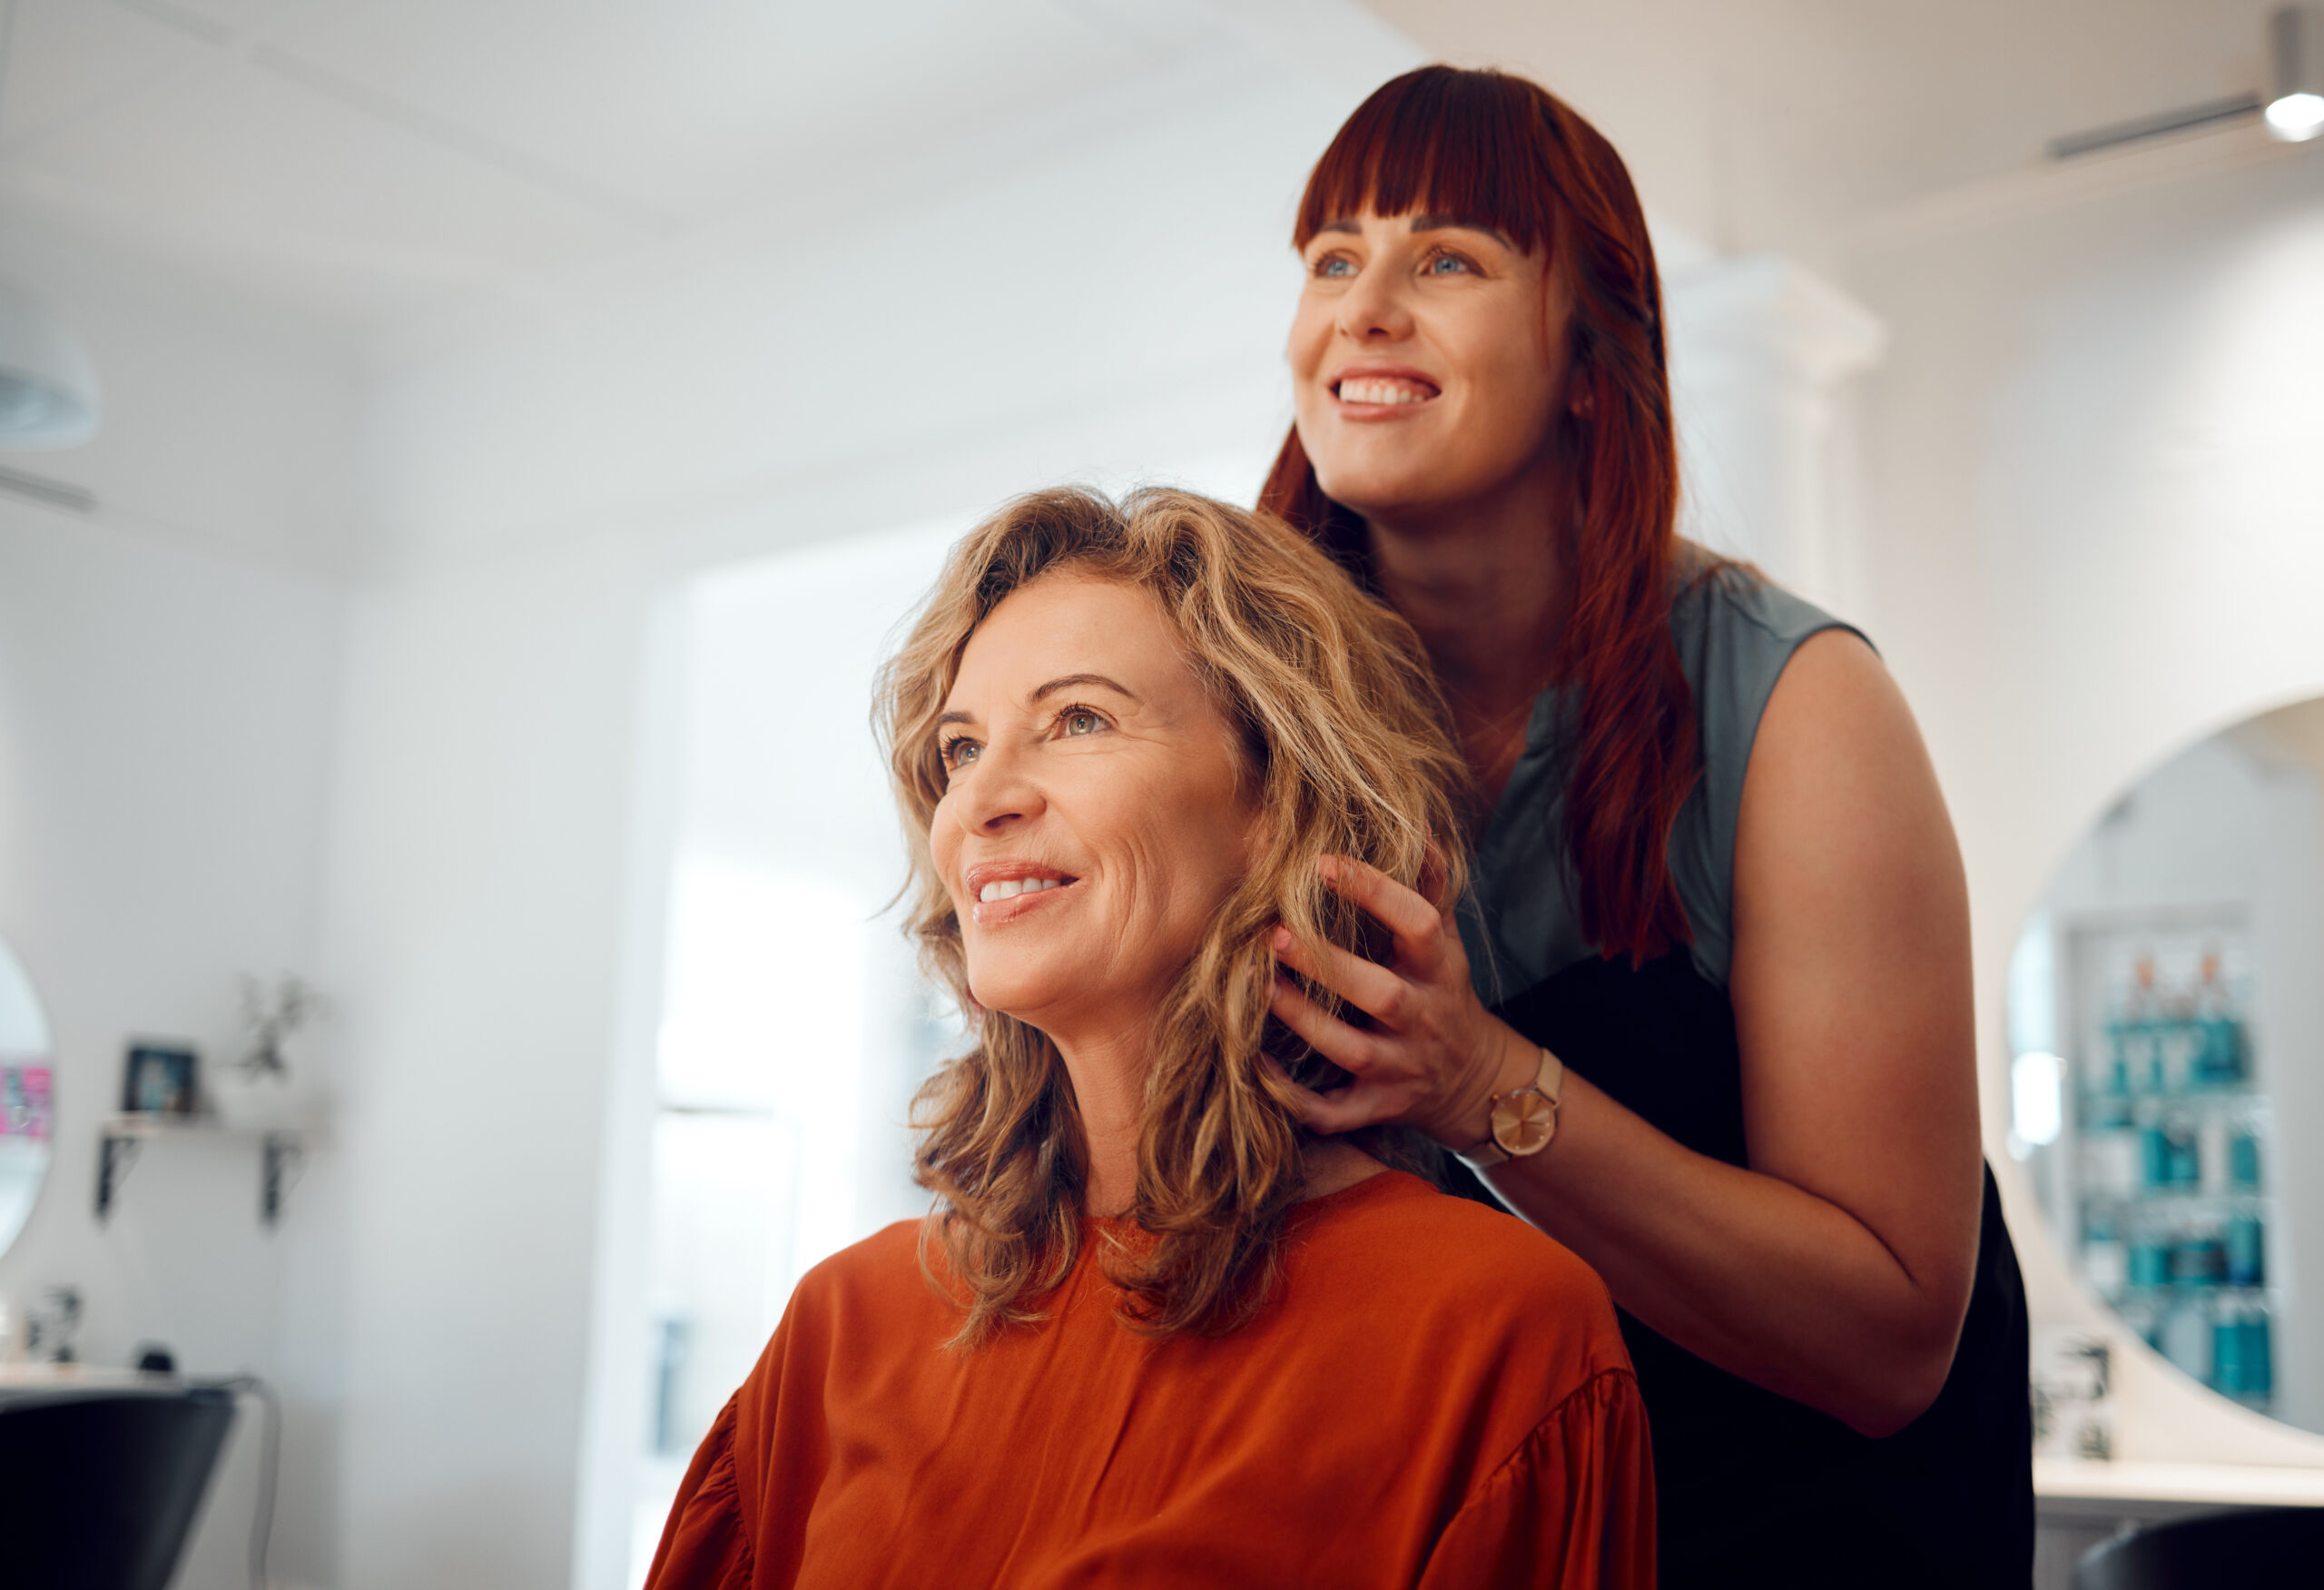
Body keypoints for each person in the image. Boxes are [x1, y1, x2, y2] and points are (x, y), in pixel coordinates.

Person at [1252, 66, 2034, 1587]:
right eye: (1333, 257)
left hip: (1825, 1528)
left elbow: (1890, 1338)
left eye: (1450, 259)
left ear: (1594, 362)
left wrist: (1482, 1082)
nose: (1365, 306)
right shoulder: (1258, 721)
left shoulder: (1797, 705)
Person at [643, 487, 1657, 1590]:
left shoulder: (1494, 1332)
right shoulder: (839, 1329)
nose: (981, 798)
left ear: (1280, 799)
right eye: (960, 746)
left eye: (1078, 718)